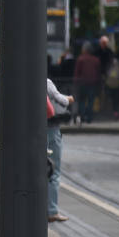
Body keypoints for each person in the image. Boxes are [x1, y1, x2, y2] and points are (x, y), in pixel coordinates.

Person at [47, 77, 73, 223]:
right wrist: (69, 99)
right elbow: (61, 101)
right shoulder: (45, 82)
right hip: (50, 128)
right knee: (52, 169)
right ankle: (51, 211)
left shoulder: (19, 79)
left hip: (31, 130)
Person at [72, 42, 101, 125]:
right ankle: (89, 117)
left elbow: (77, 72)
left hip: (82, 83)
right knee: (91, 101)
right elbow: (98, 73)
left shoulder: (80, 59)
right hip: (92, 83)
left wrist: (75, 83)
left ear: (84, 50)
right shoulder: (96, 60)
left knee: (81, 100)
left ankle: (82, 116)